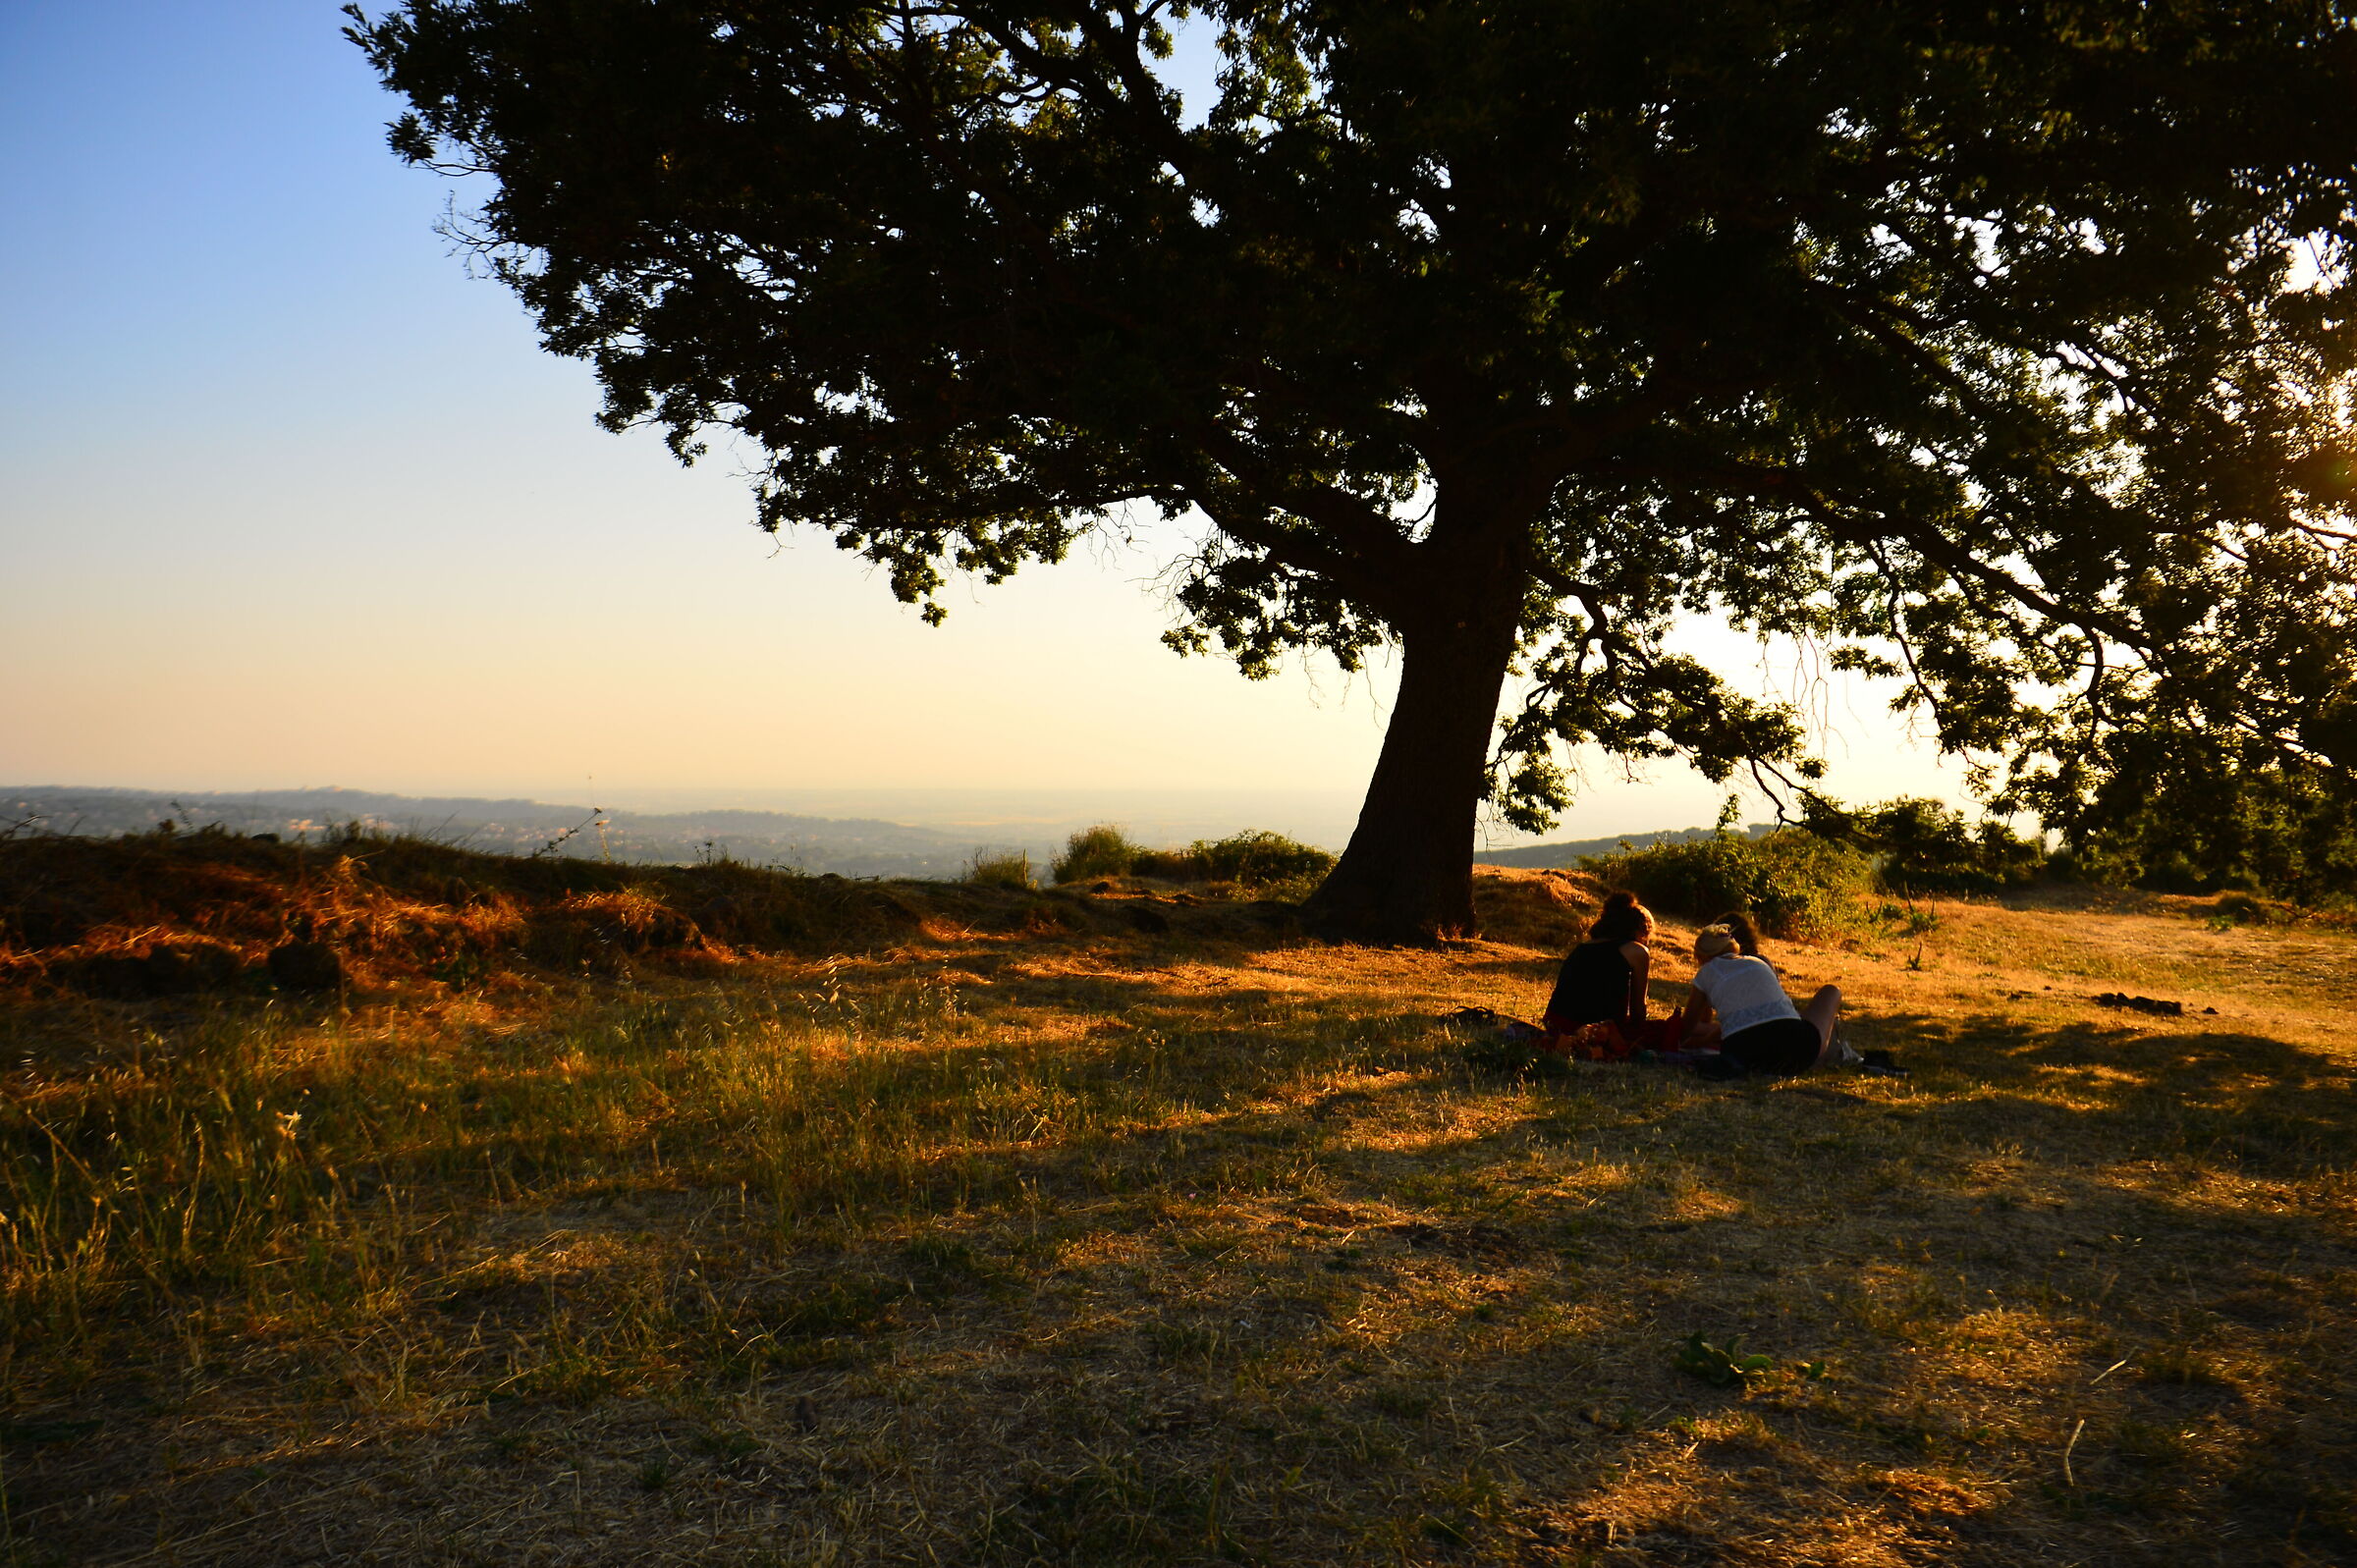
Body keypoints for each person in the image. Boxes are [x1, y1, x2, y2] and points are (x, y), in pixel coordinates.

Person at [1682, 926, 1841, 1077]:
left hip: (1744, 1056)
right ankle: (1831, 1051)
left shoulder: (1705, 973)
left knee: (1784, 1023)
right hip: (1796, 1051)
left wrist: (1698, 1041)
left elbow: (1687, 1027)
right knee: (1831, 991)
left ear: (1699, 956)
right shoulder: (1759, 962)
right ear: (1733, 948)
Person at [1540, 892, 1680, 1059]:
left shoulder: (1583, 946)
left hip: (1556, 1023)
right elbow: (1638, 1011)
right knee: (1671, 1030)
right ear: (1640, 931)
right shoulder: (1637, 951)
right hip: (1596, 1030)